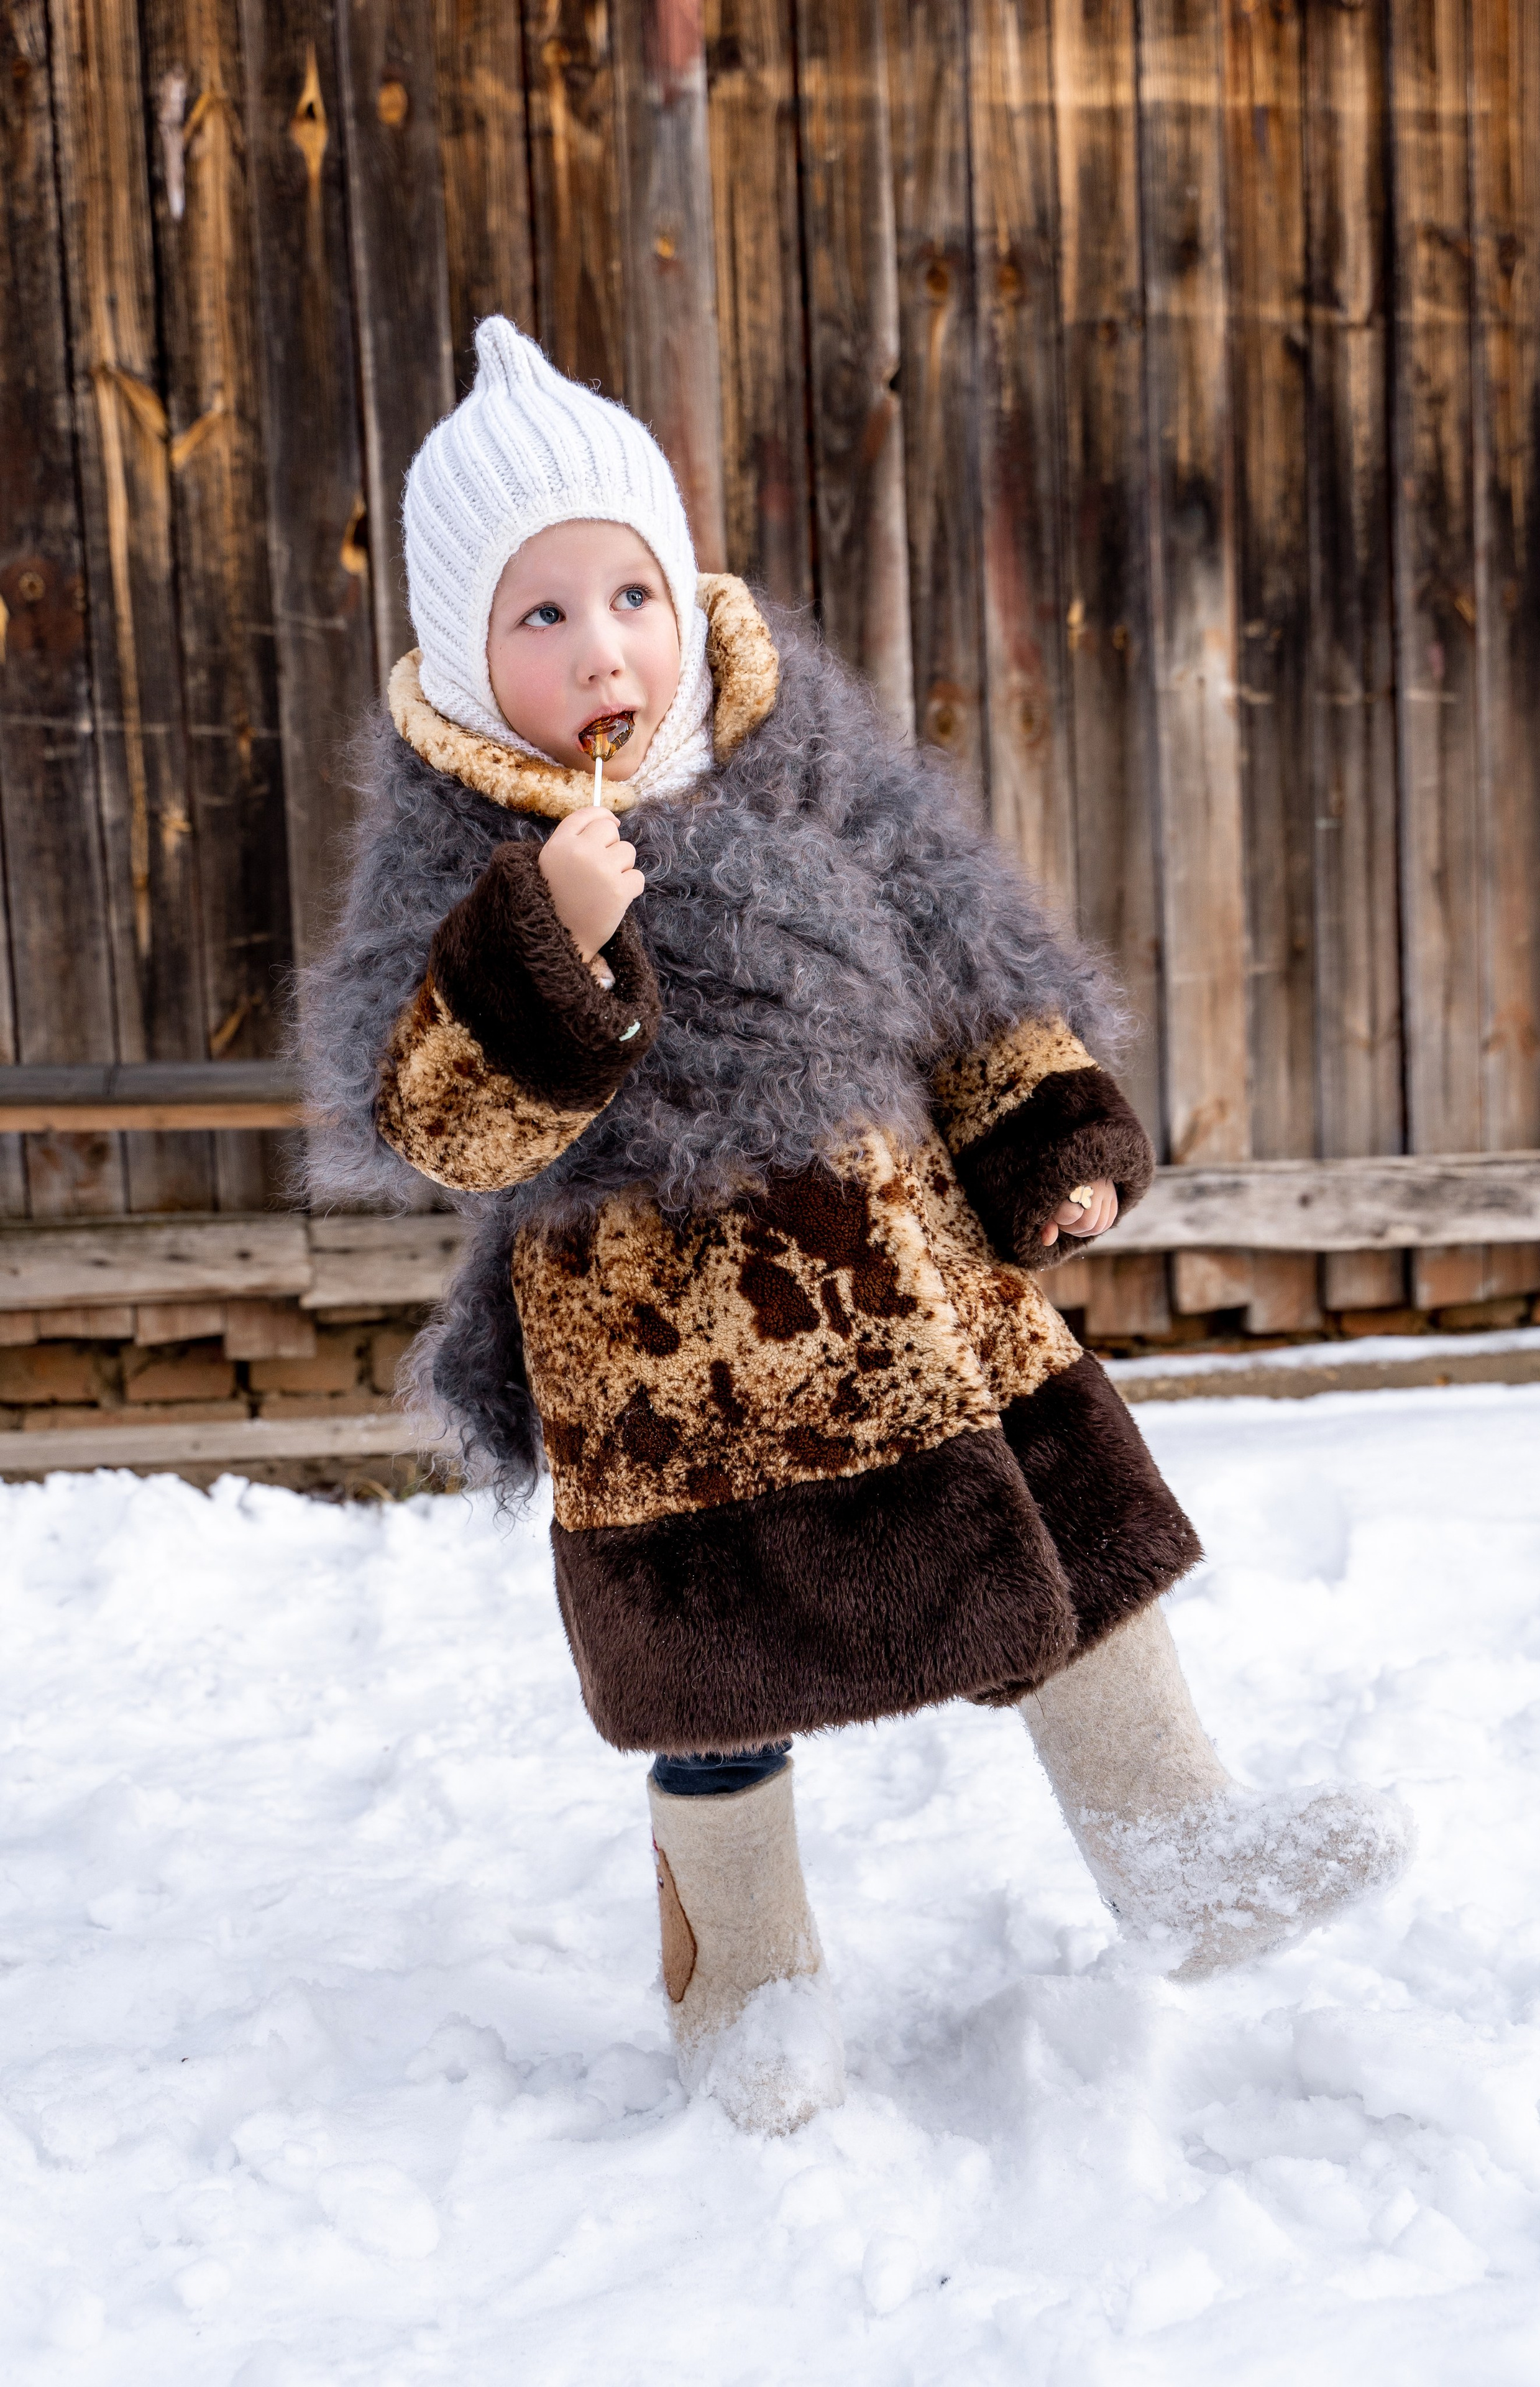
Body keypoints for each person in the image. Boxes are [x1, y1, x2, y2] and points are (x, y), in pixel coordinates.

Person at [302, 318, 1412, 2135]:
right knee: (716, 1681)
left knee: (1070, 1556)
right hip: (669, 1360)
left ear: (686, 594)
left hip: (912, 1286)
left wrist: (1046, 1125)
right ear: (458, 654)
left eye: (631, 593)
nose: (605, 650)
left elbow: (955, 959)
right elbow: (443, 1123)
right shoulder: (458, 853)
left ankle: (1185, 1850)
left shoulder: (792, 745)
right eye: (543, 616)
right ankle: (747, 1987)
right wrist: (544, 944)